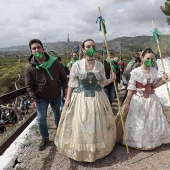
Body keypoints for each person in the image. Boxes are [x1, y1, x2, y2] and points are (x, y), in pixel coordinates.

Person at [55, 39, 117, 162]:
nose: (91, 48)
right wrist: (67, 100)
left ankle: (96, 150)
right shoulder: (76, 65)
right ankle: (80, 151)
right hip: (80, 98)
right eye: (88, 46)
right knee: (80, 122)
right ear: (83, 49)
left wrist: (111, 79)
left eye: (93, 46)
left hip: (97, 97)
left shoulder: (99, 65)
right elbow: (72, 84)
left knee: (97, 121)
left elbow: (102, 82)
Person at [119, 48, 170, 150]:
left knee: (152, 121)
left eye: (152, 59)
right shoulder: (136, 72)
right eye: (147, 58)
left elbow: (153, 86)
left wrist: (163, 80)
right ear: (142, 58)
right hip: (138, 99)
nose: (150, 61)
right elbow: (131, 88)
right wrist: (127, 103)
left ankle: (152, 141)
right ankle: (136, 142)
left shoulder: (154, 71)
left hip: (152, 99)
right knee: (139, 121)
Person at [25, 39, 68, 151]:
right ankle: (45, 137)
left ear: (43, 49)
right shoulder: (29, 67)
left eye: (38, 47)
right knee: (40, 119)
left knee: (57, 114)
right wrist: (33, 99)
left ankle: (60, 133)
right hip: (41, 97)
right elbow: (29, 86)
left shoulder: (54, 62)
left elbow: (63, 77)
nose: (37, 50)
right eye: (34, 48)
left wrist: (66, 89)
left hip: (56, 94)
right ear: (31, 52)